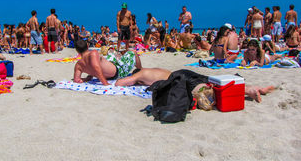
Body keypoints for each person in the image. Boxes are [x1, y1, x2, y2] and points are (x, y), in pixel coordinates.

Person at [115, 68, 275, 103]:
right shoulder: (154, 69)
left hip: (178, 78)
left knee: (209, 92)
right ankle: (255, 88)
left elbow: (119, 83)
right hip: (182, 72)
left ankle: (250, 91)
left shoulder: (140, 74)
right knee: (214, 83)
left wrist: (134, 79)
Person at [73, 40, 142, 86]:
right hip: (119, 71)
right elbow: (96, 67)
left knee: (109, 56)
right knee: (133, 52)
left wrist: (87, 78)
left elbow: (76, 80)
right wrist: (105, 83)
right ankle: (140, 70)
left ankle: (118, 58)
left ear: (77, 51)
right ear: (87, 46)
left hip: (109, 73)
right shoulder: (93, 53)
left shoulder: (78, 64)